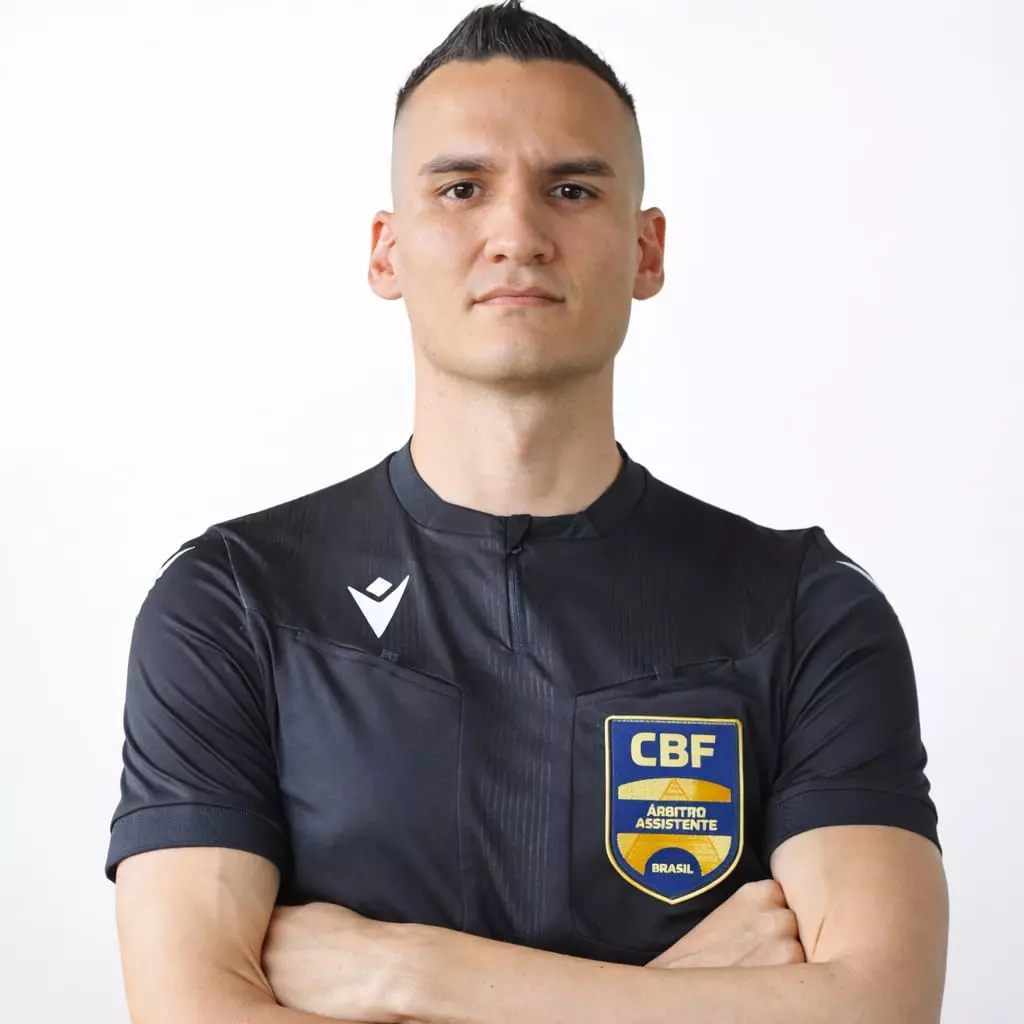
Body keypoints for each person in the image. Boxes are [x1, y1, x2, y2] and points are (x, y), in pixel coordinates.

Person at [106, 2, 948, 1021]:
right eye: (461, 188)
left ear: (645, 250)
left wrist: (409, 973)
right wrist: (675, 999)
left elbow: (875, 1009)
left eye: (572, 189)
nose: (517, 234)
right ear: (386, 251)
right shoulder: (233, 604)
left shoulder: (805, 611)